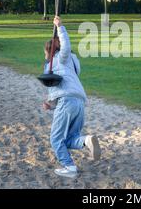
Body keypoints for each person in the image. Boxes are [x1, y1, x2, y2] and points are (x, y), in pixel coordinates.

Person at [42, 16, 101, 179]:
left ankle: (69, 167)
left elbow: (65, 47)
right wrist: (51, 105)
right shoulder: (69, 67)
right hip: (79, 103)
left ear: (51, 50)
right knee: (70, 139)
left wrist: (60, 27)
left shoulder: (61, 57)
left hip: (67, 102)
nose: (46, 55)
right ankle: (86, 140)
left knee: (55, 139)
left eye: (46, 52)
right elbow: (60, 87)